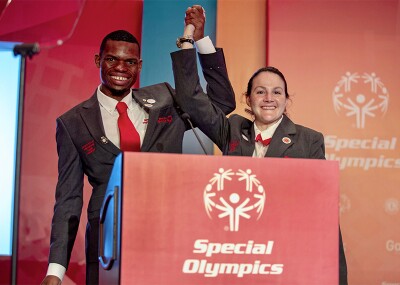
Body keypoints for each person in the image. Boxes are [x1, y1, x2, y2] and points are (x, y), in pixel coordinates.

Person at [41, 5, 235, 285]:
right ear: (98, 60)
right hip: (108, 241)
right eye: (111, 59)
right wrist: (55, 271)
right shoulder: (72, 123)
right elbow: (68, 200)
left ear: (139, 66)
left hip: (168, 229)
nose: (121, 68)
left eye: (129, 62)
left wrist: (201, 43)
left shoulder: (166, 97)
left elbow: (221, 105)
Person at [171, 62, 348, 284]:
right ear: (248, 98)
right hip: (237, 255)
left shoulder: (309, 140)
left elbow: (323, 212)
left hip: (284, 258)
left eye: (277, 92)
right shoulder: (232, 129)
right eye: (260, 92)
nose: (268, 98)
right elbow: (192, 102)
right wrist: (190, 41)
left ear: (286, 99)